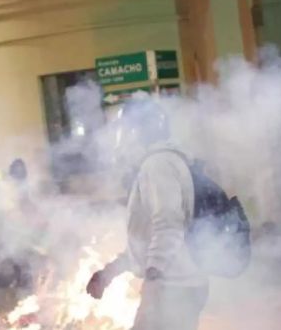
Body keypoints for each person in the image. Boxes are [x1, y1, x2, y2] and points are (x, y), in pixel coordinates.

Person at [87, 98, 208, 330]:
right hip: (179, 284)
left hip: (172, 286)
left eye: (128, 128)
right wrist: (109, 272)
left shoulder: (158, 165)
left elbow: (169, 223)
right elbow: (146, 237)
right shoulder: (166, 161)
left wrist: (154, 277)